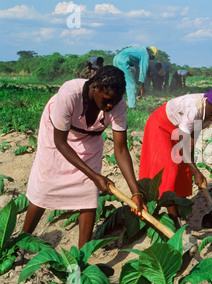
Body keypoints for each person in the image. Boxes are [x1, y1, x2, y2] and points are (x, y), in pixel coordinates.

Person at [21, 66, 148, 248]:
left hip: (90, 138)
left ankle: (83, 253)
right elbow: (61, 142)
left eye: (116, 101)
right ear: (95, 87)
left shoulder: (118, 105)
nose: (111, 105)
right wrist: (95, 176)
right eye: (107, 100)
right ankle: (22, 240)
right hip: (57, 133)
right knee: (45, 184)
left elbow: (120, 150)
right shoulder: (70, 94)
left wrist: (135, 193)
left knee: (88, 192)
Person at [139, 85, 212, 227]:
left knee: (184, 167)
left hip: (178, 129)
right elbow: (182, 146)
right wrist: (196, 171)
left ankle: (179, 209)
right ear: (207, 102)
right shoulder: (193, 109)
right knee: (170, 168)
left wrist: (192, 166)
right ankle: (174, 220)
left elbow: (192, 137)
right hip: (161, 125)